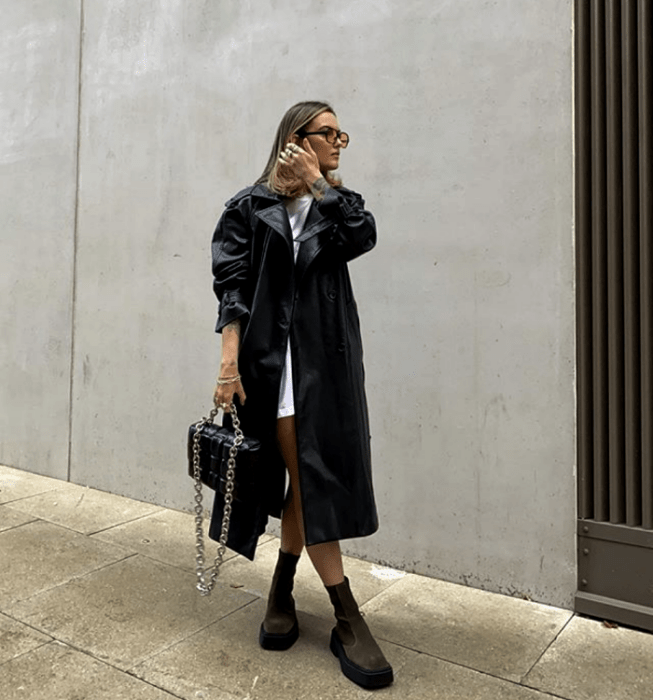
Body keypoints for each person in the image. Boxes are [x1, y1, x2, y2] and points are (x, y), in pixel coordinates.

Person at [210, 101, 392, 689]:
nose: (341, 141)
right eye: (329, 133)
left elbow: (363, 236)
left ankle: (282, 589)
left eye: (343, 133)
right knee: (308, 480)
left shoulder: (337, 206)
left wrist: (318, 184)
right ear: (296, 138)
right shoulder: (249, 207)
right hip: (270, 371)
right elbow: (231, 291)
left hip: (324, 369)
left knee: (308, 480)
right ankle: (347, 616)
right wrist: (227, 367)